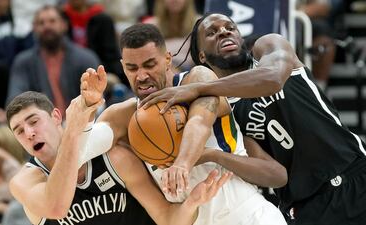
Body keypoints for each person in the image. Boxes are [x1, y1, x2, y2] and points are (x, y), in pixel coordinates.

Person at [139, 13, 366, 225]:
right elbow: (277, 175)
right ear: (201, 56)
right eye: (212, 32)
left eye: (230, 27)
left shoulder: (269, 47)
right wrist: (211, 154)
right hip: (308, 210)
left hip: (356, 176)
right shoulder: (224, 110)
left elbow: (274, 79)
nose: (224, 32)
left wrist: (199, 88)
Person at [81, 23, 287, 224]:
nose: (142, 76)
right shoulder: (121, 116)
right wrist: (86, 108)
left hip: (247, 215)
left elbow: (199, 121)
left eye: (150, 65)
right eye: (132, 68)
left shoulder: (197, 79)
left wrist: (182, 163)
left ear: (167, 59)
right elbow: (78, 152)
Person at [6, 89, 229, 225]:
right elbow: (56, 208)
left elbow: (169, 220)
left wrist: (191, 203)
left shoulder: (115, 159)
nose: (29, 133)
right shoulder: (24, 182)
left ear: (56, 116)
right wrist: (74, 128)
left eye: (33, 121)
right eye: (18, 130)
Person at [7, 5, 99, 116]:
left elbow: (97, 99)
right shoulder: (23, 62)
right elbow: (14, 100)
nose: (47, 26)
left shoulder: (85, 57)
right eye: (41, 23)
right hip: (41, 126)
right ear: (34, 28)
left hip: (82, 122)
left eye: (52, 21)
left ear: (64, 25)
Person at [143, 0, 199, 71]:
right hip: (160, 69)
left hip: (190, 70)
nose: (174, 0)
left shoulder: (199, 23)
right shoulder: (150, 26)